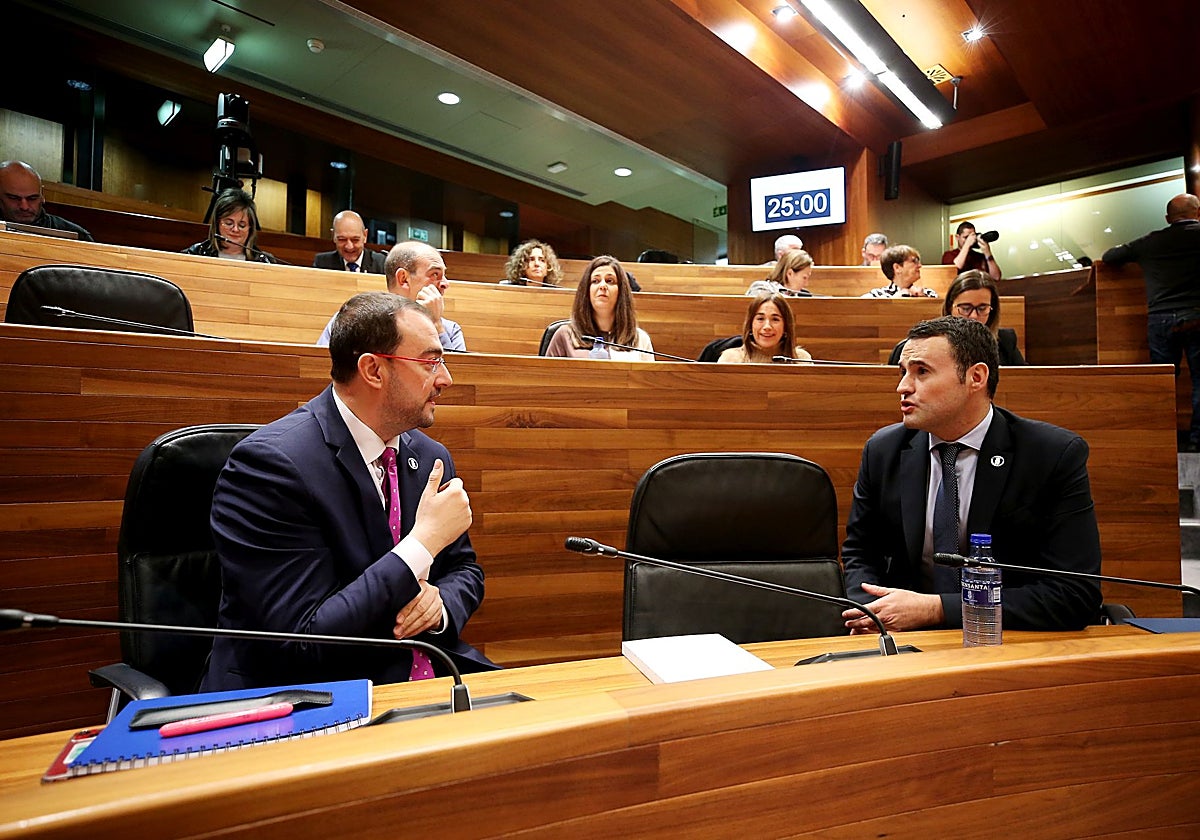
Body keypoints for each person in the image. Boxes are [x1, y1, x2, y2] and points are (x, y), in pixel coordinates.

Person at [203, 292, 494, 690]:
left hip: (432, 672)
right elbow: (303, 638)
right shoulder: (270, 466)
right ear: (373, 370)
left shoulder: (429, 457)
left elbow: (464, 570)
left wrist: (440, 606)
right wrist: (422, 544)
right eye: (430, 362)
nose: (446, 378)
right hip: (313, 695)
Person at [841, 316, 1102, 634]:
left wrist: (937, 610)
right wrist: (869, 612)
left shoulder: (1051, 455)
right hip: (903, 639)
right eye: (903, 372)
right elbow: (860, 552)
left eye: (921, 372)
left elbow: (1075, 593)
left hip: (1009, 640)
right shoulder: (884, 451)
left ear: (976, 377)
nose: (903, 387)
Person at [1102, 193, 1200, 450]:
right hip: (1197, 316)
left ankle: (1162, 438)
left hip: (1161, 317)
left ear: (1168, 218)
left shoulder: (1152, 241)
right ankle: (1197, 441)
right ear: (1198, 213)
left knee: (1162, 380)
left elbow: (1111, 256)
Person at [317, 241, 464, 351]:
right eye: (435, 274)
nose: (445, 283)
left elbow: (459, 384)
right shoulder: (349, 322)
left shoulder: (450, 331)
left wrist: (437, 326)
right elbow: (322, 371)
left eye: (444, 275)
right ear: (403, 279)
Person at [888, 270, 1027, 366]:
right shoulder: (920, 346)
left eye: (982, 308)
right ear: (950, 307)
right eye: (965, 308)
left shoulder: (1006, 342)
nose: (973, 316)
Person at [544, 255, 654, 360]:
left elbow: (648, 379)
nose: (602, 286)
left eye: (609, 281)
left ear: (621, 292)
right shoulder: (564, 335)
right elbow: (546, 378)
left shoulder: (640, 339)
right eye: (595, 281)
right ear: (586, 291)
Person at [0, 160, 94, 241]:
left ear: (42, 196)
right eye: (14, 198)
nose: (24, 207)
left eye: (32, 198)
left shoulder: (76, 235)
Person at [183, 188, 279, 263]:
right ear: (217, 224)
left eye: (242, 225)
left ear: (250, 228)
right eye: (229, 223)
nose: (235, 229)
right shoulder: (195, 253)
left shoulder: (264, 261)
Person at [717, 292, 812, 364]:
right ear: (750, 325)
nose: (767, 327)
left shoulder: (801, 359)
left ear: (786, 327)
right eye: (760, 319)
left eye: (775, 319)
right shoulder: (731, 359)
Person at [312, 210, 386, 273]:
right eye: (342, 239)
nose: (349, 246)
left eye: (355, 240)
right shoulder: (322, 263)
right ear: (333, 236)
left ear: (365, 235)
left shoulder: (382, 263)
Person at [864, 245, 937, 298]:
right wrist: (892, 302)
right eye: (914, 261)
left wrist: (924, 300)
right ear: (897, 267)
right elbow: (855, 308)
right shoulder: (876, 296)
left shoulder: (928, 293)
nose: (920, 265)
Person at [747, 249, 814, 297]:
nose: (806, 284)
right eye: (804, 278)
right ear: (790, 273)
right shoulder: (760, 288)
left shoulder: (804, 295)